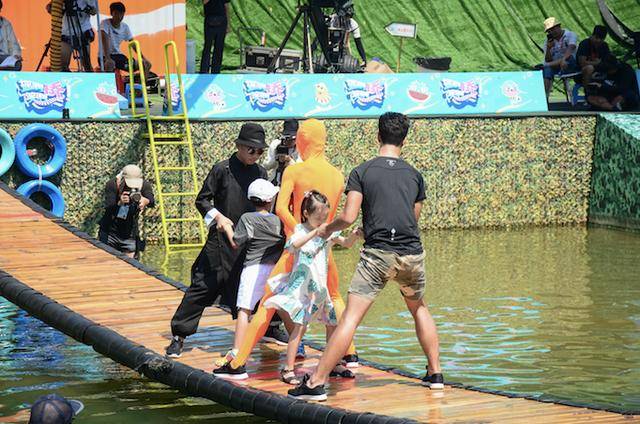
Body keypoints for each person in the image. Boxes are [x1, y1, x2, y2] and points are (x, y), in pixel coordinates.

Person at [288, 112, 444, 401]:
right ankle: (435, 374)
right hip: (411, 253)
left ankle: (316, 383)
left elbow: (348, 217)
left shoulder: (363, 172)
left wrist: (325, 228)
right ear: (404, 140)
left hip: (377, 256)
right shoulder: (415, 175)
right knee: (419, 308)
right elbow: (413, 219)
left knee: (350, 318)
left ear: (378, 136)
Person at [216, 119, 359, 379]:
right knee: (334, 298)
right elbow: (332, 217)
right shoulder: (337, 175)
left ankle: (238, 363)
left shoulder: (295, 171)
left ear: (303, 140)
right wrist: (320, 234)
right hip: (323, 249)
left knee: (268, 302)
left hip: (296, 248)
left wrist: (298, 232)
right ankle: (348, 355)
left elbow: (281, 208)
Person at [166, 123, 272, 358]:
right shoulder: (222, 169)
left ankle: (270, 329)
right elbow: (202, 200)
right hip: (220, 240)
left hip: (247, 243)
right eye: (251, 150)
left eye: (260, 151)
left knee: (255, 287)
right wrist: (219, 218)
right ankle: (179, 335)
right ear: (239, 146)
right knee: (203, 286)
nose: (255, 155)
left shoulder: (261, 173)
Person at [262, 191, 361, 385]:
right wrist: (315, 232)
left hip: (320, 290)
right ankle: (288, 368)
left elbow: (346, 244)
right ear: (306, 214)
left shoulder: (328, 230)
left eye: (325, 217)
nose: (322, 221)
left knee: (332, 325)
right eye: (318, 217)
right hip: (303, 291)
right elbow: (293, 246)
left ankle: (334, 364)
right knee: (299, 329)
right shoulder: (300, 230)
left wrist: (355, 236)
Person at [217, 178, 285, 373]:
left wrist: (226, 227)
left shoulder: (248, 218)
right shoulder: (278, 220)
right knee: (282, 308)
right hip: (275, 269)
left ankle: (237, 352)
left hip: (253, 269)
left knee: (244, 310)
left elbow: (236, 242)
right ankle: (298, 346)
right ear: (270, 200)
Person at [98, 164, 154, 259]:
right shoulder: (112, 184)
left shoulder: (144, 185)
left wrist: (145, 201)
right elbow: (109, 207)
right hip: (110, 232)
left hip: (130, 233)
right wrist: (120, 203)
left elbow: (151, 201)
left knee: (131, 264)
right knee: (107, 262)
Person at [100, 2, 152, 80]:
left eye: (121, 14)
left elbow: (133, 43)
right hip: (105, 56)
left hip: (118, 56)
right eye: (116, 14)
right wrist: (108, 58)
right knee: (110, 64)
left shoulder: (125, 27)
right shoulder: (105, 24)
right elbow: (104, 39)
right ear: (111, 13)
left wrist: (143, 58)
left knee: (146, 64)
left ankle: (139, 85)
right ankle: (109, 85)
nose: (119, 17)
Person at [46, 0, 97, 71]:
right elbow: (50, 8)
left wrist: (85, 9)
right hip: (66, 33)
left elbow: (94, 11)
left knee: (86, 64)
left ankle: (89, 76)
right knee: (63, 65)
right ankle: (65, 77)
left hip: (83, 32)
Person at [542, 17, 578, 99]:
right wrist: (549, 48)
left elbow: (571, 48)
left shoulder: (570, 34)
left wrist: (563, 59)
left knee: (569, 58)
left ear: (559, 26)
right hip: (556, 66)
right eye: (549, 31)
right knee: (547, 70)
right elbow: (548, 59)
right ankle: (545, 97)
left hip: (571, 64)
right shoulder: (548, 41)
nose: (551, 32)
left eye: (553, 29)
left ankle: (547, 65)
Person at [263, 119, 302, 186]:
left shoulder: (301, 148)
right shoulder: (276, 145)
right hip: (277, 181)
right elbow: (266, 166)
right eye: (287, 138)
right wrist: (276, 159)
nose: (289, 141)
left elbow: (302, 170)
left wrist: (289, 160)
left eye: (293, 138)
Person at [200, 0, 230, 74]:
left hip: (222, 20)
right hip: (210, 20)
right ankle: (204, 71)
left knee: (219, 48)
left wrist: (228, 24)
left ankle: (216, 72)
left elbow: (227, 7)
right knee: (207, 47)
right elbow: (204, 2)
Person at [0, 0, 22, 71]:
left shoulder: (5, 23)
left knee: (17, 64)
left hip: (2, 57)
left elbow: (13, 43)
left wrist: (16, 55)